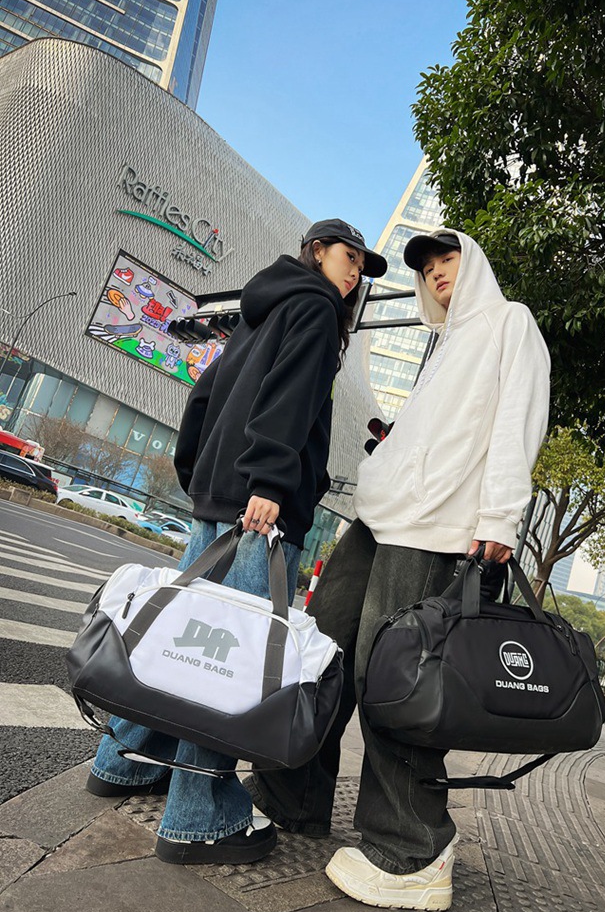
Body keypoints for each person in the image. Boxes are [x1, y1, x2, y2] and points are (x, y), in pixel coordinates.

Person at [247, 228, 551, 911]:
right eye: (428, 265)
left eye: (449, 258)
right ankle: (291, 795)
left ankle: (413, 850)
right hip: (380, 517)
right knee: (323, 650)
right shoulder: (442, 344)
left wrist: (500, 519)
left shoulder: (509, 322)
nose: (437, 271)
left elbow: (517, 422)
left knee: (394, 680)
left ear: (474, 263)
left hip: (437, 529)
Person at [84, 218, 387, 867]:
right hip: (260, 508)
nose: (355, 272)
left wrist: (199, 473)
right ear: (317, 251)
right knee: (226, 664)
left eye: (361, 265)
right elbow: (291, 398)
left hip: (220, 495)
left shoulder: (261, 307)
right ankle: (200, 816)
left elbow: (205, 395)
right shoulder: (317, 309)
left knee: (179, 639)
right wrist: (273, 480)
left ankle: (124, 761)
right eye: (349, 256)